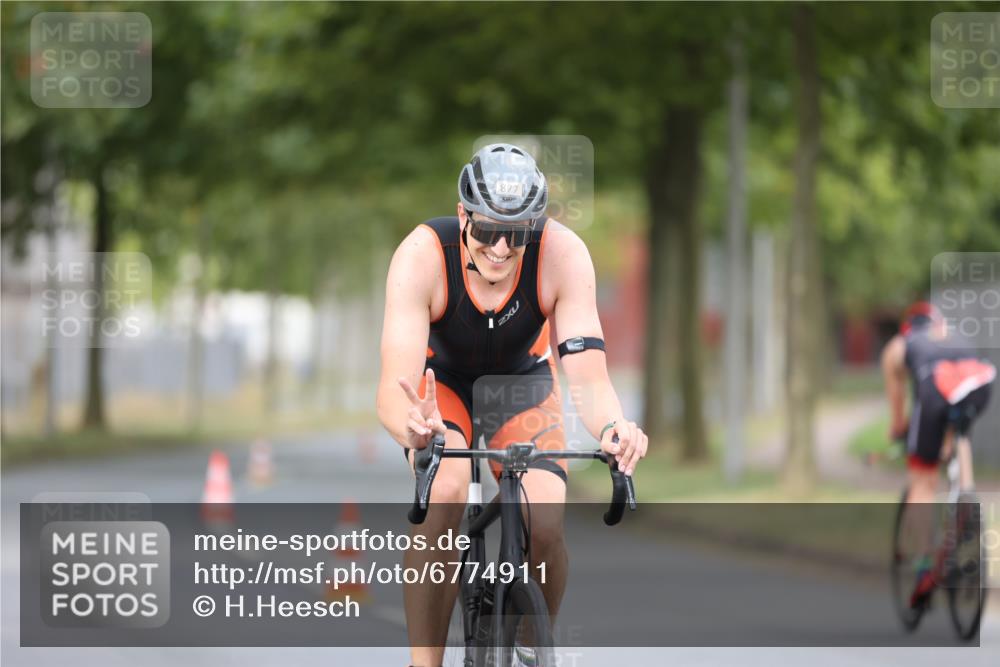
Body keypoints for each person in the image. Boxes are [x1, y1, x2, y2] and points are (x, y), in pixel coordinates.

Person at [376, 143, 648, 666]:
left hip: (521, 381)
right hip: (441, 388)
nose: (501, 248)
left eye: (518, 233)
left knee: (545, 519)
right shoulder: (422, 255)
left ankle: (528, 644)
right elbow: (395, 386)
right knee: (447, 490)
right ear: (462, 217)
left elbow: (589, 378)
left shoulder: (563, 255)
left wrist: (613, 427)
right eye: (485, 230)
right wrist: (412, 427)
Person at [880, 300, 995, 606]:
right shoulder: (952, 333)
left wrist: (899, 428)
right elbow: (953, 388)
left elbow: (898, 396)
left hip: (934, 386)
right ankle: (966, 499)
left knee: (922, 479)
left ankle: (923, 566)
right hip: (978, 381)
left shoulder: (900, 343)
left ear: (908, 325)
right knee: (959, 432)